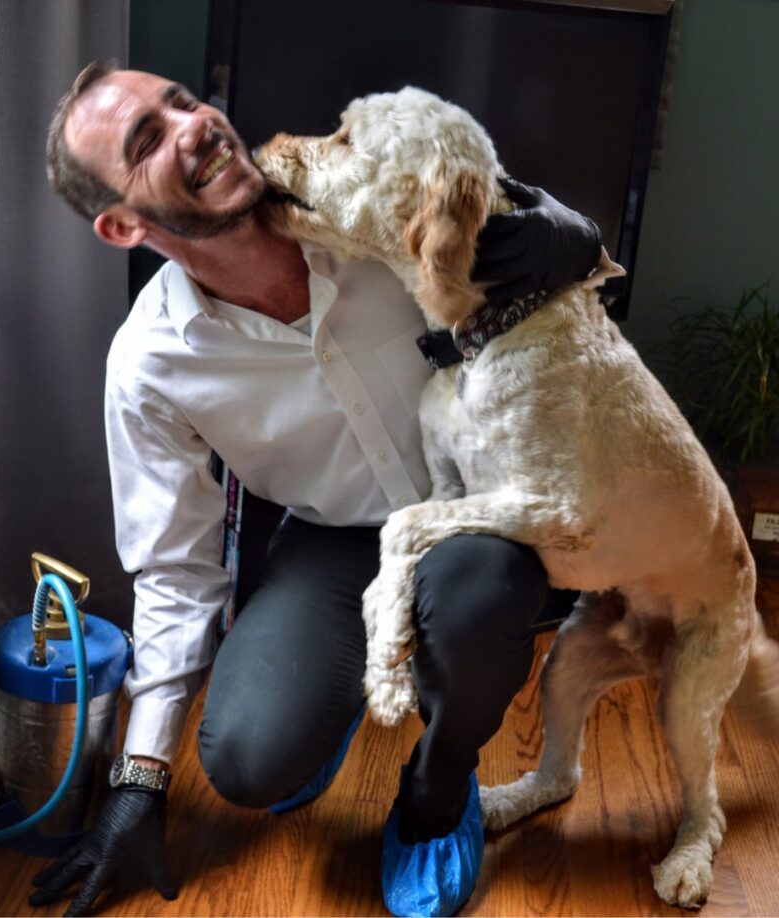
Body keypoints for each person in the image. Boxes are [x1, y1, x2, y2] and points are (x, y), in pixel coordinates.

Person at [31, 61, 601, 918]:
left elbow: (569, 280)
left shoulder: (373, 203)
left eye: (182, 102)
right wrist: (139, 782)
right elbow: (175, 573)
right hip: (337, 544)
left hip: (478, 517)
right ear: (120, 225)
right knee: (248, 761)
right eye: (147, 141)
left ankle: (438, 788)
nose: (192, 126)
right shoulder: (150, 365)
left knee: (480, 595)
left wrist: (575, 237)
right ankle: (330, 698)